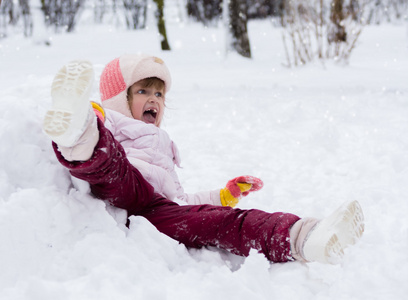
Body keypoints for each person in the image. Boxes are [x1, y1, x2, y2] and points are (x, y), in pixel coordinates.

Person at [43, 55, 364, 264]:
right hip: (125, 185)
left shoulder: (165, 144)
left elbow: (182, 200)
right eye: (142, 91)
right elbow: (112, 153)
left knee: (223, 221)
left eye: (159, 93)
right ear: (119, 98)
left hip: (159, 210)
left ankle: (304, 237)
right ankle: (78, 128)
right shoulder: (112, 120)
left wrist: (223, 197)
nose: (154, 99)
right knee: (112, 166)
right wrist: (96, 117)